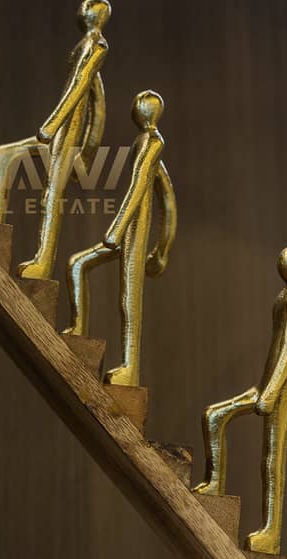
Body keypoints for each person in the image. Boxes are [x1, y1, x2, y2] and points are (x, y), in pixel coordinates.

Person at [193, 245, 287, 555]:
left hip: (279, 388)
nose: (283, 263)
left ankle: (271, 532)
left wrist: (283, 395)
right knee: (214, 416)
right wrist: (270, 389)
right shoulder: (285, 297)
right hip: (267, 385)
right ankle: (214, 484)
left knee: (273, 458)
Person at [0, 0, 111, 281]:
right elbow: (97, 97)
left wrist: (75, 144)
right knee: (3, 155)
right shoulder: (85, 45)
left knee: (52, 195)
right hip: (59, 132)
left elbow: (82, 89)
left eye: (89, 6)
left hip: (66, 133)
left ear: (96, 14)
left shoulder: (96, 46)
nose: (84, 8)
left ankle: (44, 262)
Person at [62, 90, 176, 388]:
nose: (138, 110)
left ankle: (130, 368)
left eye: (141, 106)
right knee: (78, 265)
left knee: (128, 299)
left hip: (135, 233)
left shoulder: (152, 142)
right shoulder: (146, 142)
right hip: (127, 232)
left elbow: (140, 186)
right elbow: (166, 195)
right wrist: (163, 247)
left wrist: (123, 231)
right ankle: (77, 331)